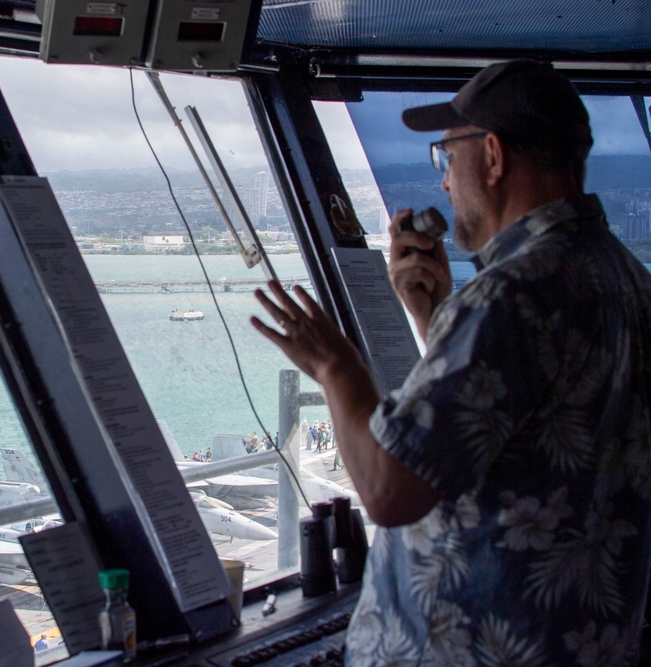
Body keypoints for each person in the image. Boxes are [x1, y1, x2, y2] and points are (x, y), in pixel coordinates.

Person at [252, 59, 651, 665]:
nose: (443, 183)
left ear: (492, 158)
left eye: (447, 156)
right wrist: (437, 316)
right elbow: (527, 433)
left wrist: (337, 367)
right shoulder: (626, 280)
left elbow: (390, 491)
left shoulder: (507, 297)